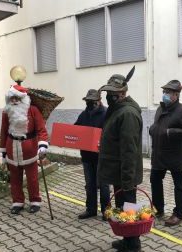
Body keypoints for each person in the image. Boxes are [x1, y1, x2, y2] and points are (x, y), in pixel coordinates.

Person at [98, 66, 143, 252]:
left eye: (113, 93)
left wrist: (127, 181)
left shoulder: (127, 114)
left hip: (125, 175)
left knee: (129, 208)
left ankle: (133, 245)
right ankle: (127, 240)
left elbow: (129, 151)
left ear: (123, 93)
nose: (109, 96)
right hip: (118, 172)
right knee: (122, 208)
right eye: (108, 92)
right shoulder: (118, 109)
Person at [149, 80, 182, 226]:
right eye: (164, 92)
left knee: (179, 185)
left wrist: (172, 132)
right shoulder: (160, 109)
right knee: (155, 180)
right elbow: (158, 125)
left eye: (168, 92)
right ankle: (158, 209)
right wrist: (153, 129)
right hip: (159, 154)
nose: (165, 95)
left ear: (176, 95)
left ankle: (178, 214)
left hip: (175, 155)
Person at [0, 84, 49, 214]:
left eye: (17, 98)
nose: (14, 101)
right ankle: (17, 202)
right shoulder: (6, 112)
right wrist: (3, 153)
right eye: (12, 98)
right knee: (15, 178)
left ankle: (35, 201)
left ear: (23, 99)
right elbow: (4, 132)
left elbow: (41, 130)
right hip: (12, 149)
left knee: (32, 178)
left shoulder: (33, 110)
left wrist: (42, 145)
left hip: (30, 150)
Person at [74, 89, 110, 221]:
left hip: (101, 156)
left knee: (103, 184)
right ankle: (91, 209)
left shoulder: (106, 114)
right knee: (90, 184)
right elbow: (76, 129)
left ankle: (106, 211)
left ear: (99, 101)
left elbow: (109, 133)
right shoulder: (84, 114)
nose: (90, 104)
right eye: (88, 102)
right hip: (87, 156)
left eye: (92, 102)